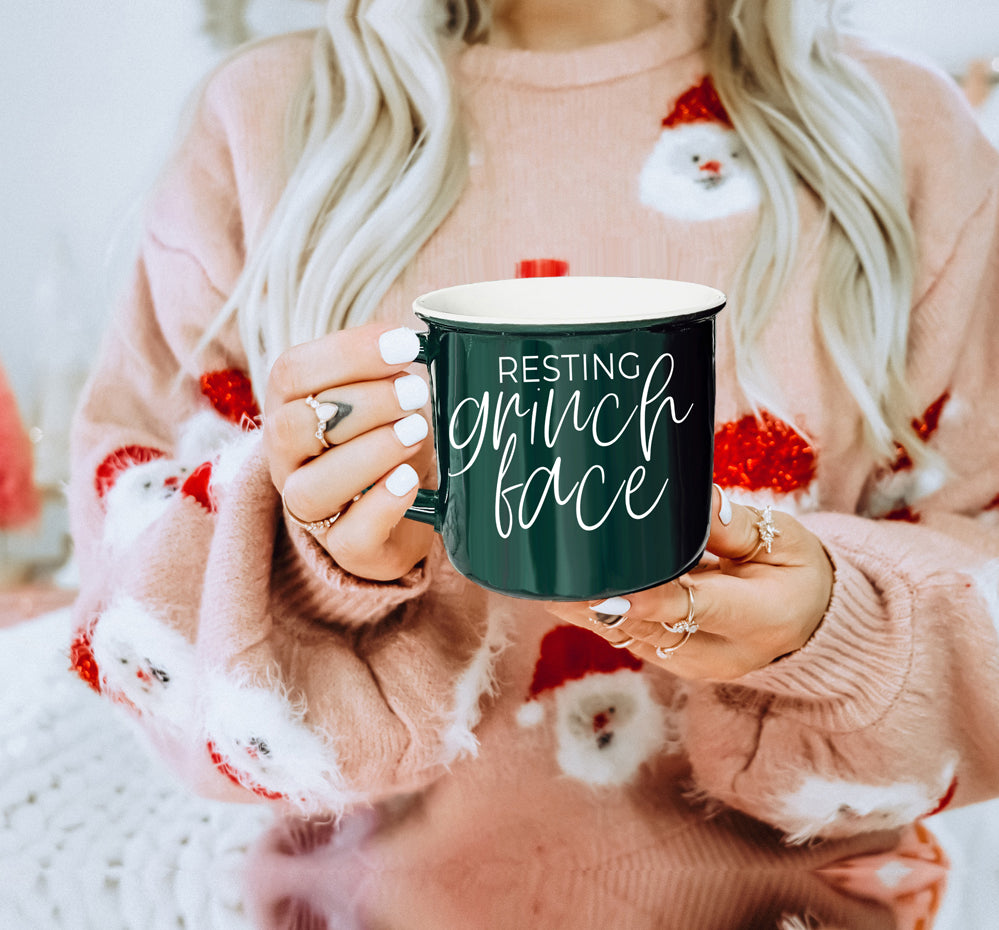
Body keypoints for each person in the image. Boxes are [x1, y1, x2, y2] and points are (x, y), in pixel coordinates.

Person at [69, 0, 999, 893]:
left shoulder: (898, 133)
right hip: (373, 899)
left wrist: (835, 634)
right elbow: (141, 631)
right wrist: (314, 576)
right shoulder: (265, 126)